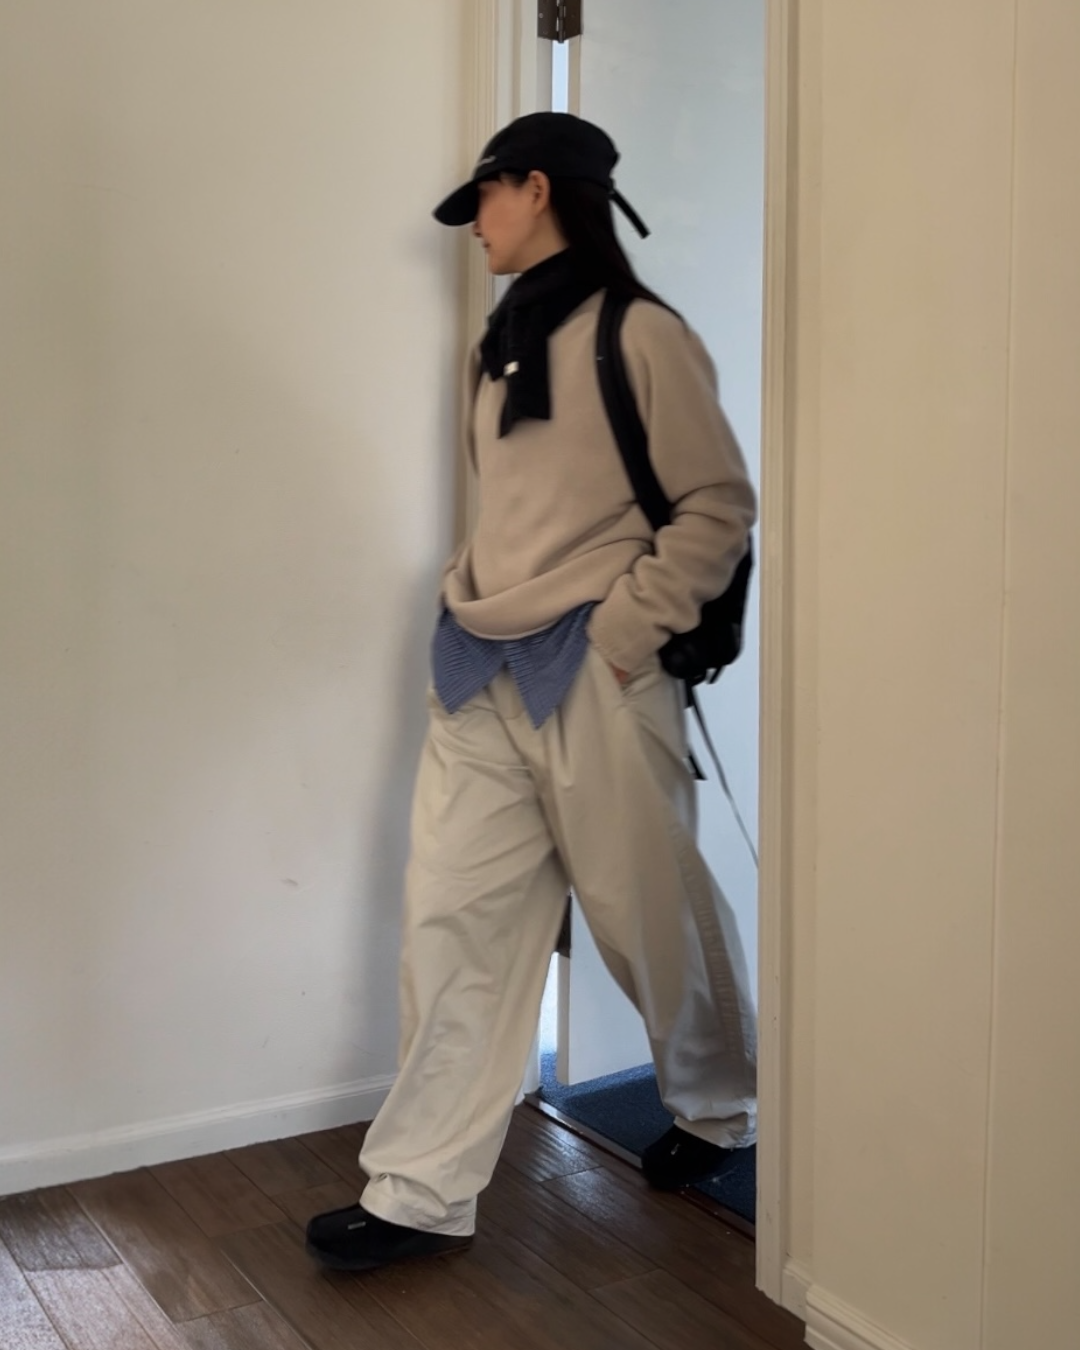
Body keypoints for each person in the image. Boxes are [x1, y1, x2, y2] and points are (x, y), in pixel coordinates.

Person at [306, 111, 757, 1272]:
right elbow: (507, 506)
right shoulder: (494, 343)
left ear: (538, 189)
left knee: (648, 919)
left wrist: (624, 634)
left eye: (486, 202)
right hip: (478, 664)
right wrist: (464, 589)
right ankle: (418, 1191)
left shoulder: (643, 333)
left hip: (595, 668)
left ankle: (722, 1111)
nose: (477, 228)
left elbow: (717, 504)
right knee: (450, 921)